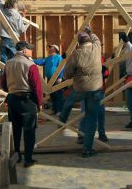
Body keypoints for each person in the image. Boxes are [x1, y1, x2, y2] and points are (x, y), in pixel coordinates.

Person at [1, 41, 43, 168]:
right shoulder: (30, 65)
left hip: (13, 99)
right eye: (30, 49)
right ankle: (28, 159)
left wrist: (12, 90)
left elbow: (3, 84)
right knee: (29, 130)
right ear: (24, 50)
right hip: (27, 100)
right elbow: (37, 87)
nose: (32, 52)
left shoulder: (8, 64)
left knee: (15, 130)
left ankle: (17, 155)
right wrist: (39, 103)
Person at [62, 26, 103, 158]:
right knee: (91, 120)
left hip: (80, 88)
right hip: (95, 89)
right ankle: (87, 149)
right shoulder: (97, 47)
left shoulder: (77, 53)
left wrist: (73, 74)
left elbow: (67, 74)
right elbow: (96, 38)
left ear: (79, 43)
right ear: (89, 40)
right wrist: (90, 30)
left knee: (68, 101)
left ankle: (62, 120)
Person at [77, 50, 109, 144]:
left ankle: (102, 133)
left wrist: (104, 70)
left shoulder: (100, 60)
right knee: (84, 113)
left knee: (100, 113)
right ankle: (81, 135)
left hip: (99, 91)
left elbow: (106, 73)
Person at [0, 0, 29, 64]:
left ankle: (4, 74)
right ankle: (11, 74)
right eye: (16, 4)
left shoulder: (3, 11)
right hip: (12, 40)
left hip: (3, 39)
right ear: (13, 5)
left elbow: (0, 3)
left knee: (3, 61)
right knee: (13, 61)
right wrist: (25, 22)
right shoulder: (17, 16)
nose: (17, 5)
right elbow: (22, 29)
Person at [34, 44, 64, 115]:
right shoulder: (48, 58)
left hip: (56, 79)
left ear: (55, 49)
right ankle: (54, 110)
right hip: (50, 79)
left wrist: (60, 77)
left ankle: (59, 110)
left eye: (51, 47)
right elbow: (41, 62)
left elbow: (62, 67)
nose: (49, 48)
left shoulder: (58, 57)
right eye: (49, 47)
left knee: (58, 94)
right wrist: (32, 60)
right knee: (52, 94)